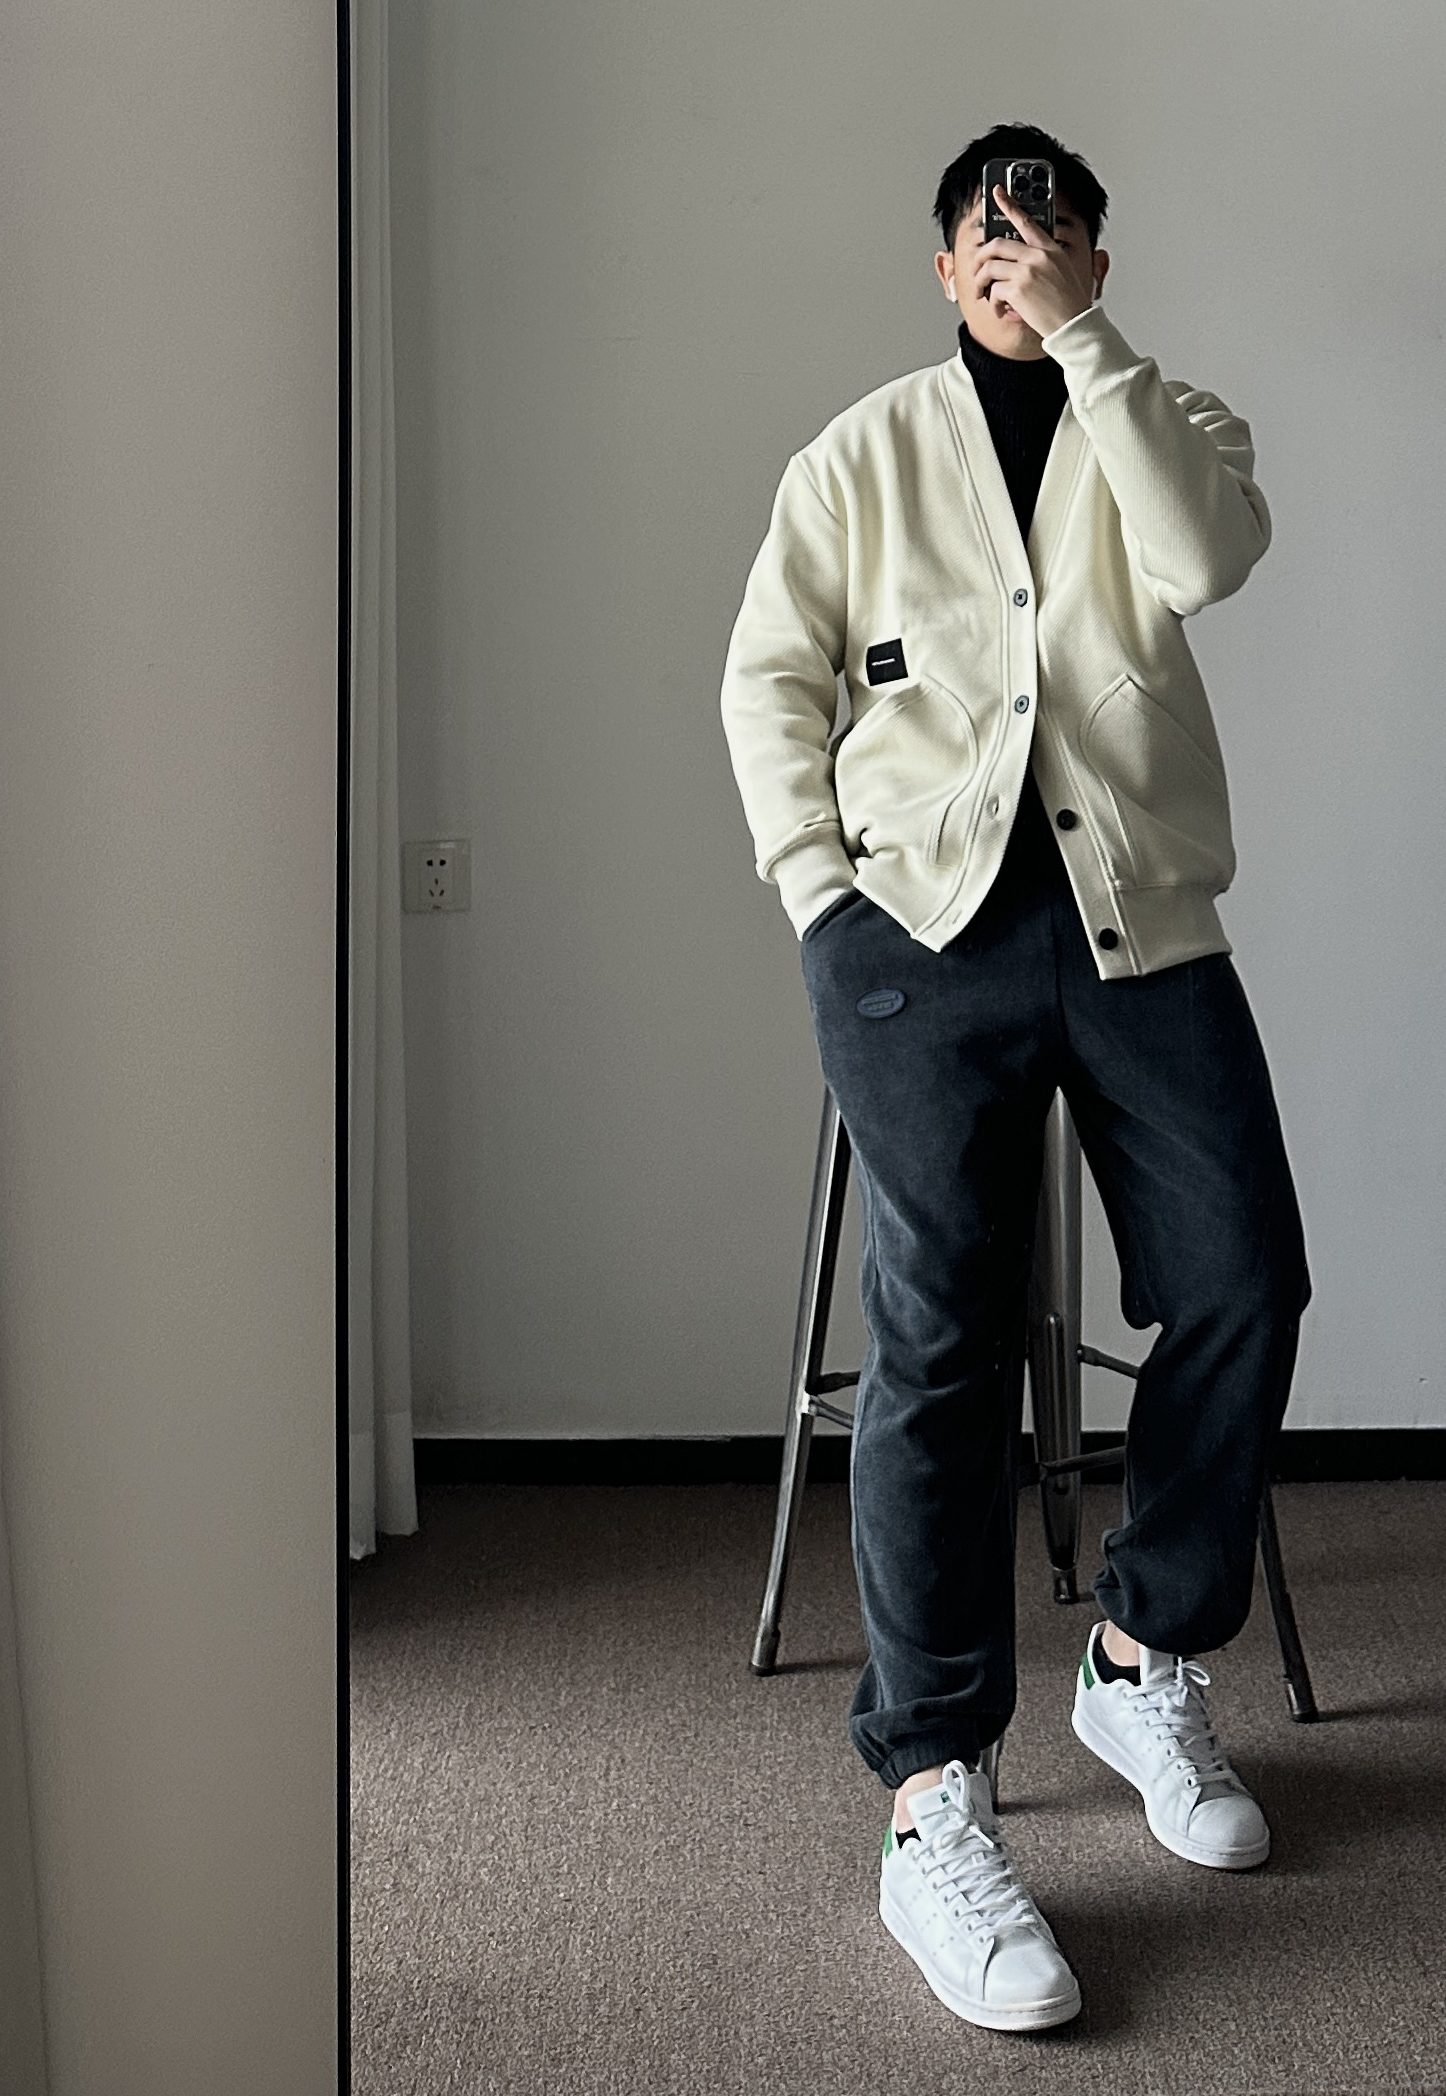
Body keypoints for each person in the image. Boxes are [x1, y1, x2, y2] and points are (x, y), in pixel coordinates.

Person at [719, 122, 1312, 2034]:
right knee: (944, 1337)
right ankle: (932, 1793)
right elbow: (770, 675)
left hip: (1143, 921)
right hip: (916, 936)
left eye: (1048, 221)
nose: (1015, 246)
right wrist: (822, 901)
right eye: (985, 226)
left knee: (1243, 1275)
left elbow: (1205, 560)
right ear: (941, 263)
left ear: (1094, 251)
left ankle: (1140, 1657)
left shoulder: (1169, 414)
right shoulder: (861, 452)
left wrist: (1090, 351)